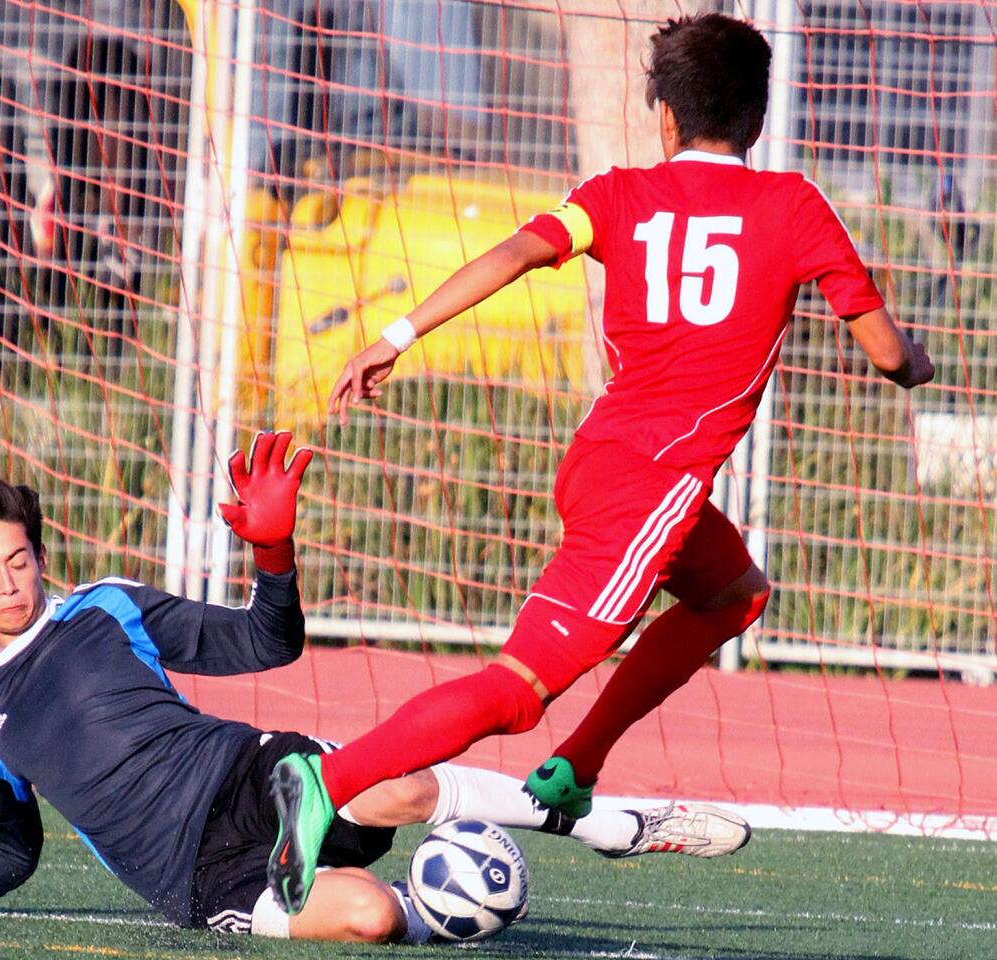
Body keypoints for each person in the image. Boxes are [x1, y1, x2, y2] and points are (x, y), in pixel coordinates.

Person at [266, 13, 935, 915]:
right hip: (649, 490)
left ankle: (575, 768)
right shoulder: (794, 207)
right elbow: (889, 356)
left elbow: (511, 253)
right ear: (759, 118)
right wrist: (919, 362)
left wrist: (396, 334)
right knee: (516, 692)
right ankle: (326, 780)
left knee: (733, 595)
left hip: (604, 461)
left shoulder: (617, 193)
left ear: (663, 114)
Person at [0, 431, 751, 944]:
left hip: (257, 778)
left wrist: (273, 552)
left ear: (38, 554)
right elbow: (7, 854)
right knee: (366, 917)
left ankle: (604, 823)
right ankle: (457, 906)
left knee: (400, 784)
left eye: (18, 558)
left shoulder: (106, 607)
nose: (8, 580)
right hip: (201, 878)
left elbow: (266, 643)